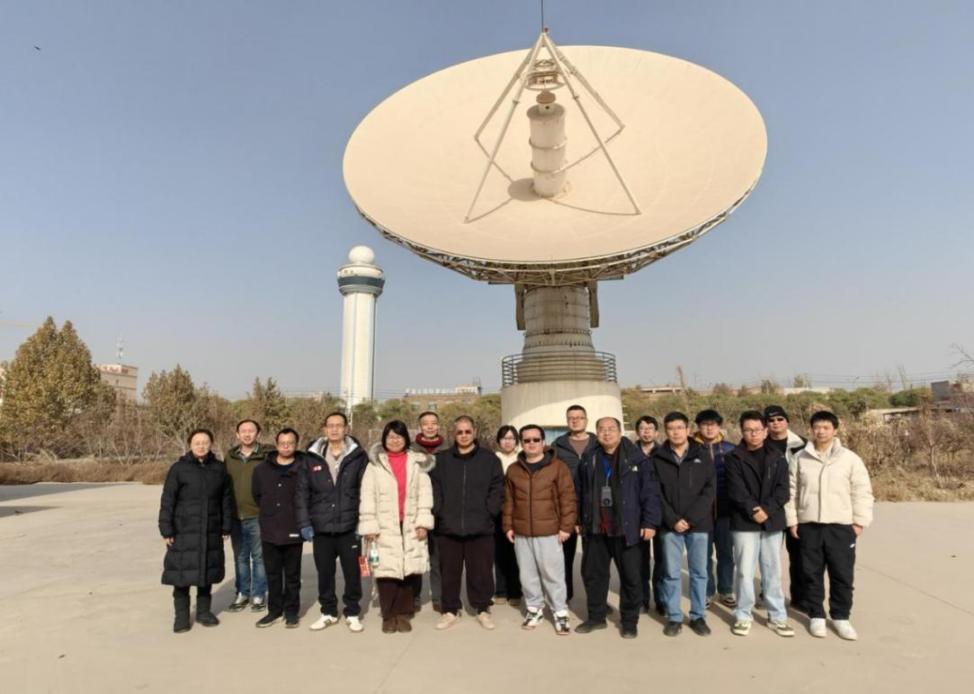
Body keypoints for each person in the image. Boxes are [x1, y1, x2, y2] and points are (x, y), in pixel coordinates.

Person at [786, 411, 874, 640]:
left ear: (835, 430)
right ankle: (816, 615)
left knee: (842, 574)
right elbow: (791, 492)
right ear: (811, 429)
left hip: (841, 527)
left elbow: (862, 491)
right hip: (809, 525)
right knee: (811, 574)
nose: (821, 431)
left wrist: (859, 522)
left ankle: (841, 617)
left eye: (826, 427)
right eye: (817, 427)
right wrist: (792, 521)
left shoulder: (849, 459)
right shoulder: (800, 457)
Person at [575, 417, 660, 639]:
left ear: (620, 432)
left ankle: (629, 621)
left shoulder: (637, 458)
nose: (607, 433)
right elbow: (579, 491)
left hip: (627, 528)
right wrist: (578, 519)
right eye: (602, 429)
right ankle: (596, 617)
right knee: (594, 576)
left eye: (611, 429)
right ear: (596, 433)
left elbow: (650, 493)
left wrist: (649, 522)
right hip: (597, 528)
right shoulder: (589, 458)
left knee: (631, 577)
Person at [359, 420, 434, 633]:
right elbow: (367, 496)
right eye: (390, 436)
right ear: (384, 439)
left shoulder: (417, 463)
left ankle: (403, 614)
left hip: (410, 524)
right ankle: (388, 614)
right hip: (383, 526)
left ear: (406, 439)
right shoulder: (375, 465)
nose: (394, 440)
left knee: (408, 571)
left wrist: (423, 522)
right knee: (386, 572)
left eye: (399, 436)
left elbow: (424, 494)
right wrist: (369, 525)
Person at [429, 416, 504, 630]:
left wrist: (489, 512)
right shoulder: (441, 460)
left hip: (480, 527)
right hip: (448, 528)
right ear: (454, 434)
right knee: (449, 573)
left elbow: (497, 489)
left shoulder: (489, 460)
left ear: (474, 432)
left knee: (481, 572)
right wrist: (440, 512)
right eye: (459, 432)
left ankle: (482, 609)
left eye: (467, 431)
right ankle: (450, 610)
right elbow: (435, 489)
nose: (464, 435)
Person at [725, 411, 795, 637]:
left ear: (765, 431)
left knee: (772, 570)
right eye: (748, 430)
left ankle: (777, 617)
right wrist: (754, 510)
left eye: (757, 430)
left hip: (772, 521)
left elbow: (783, 490)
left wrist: (767, 510)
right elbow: (735, 490)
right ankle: (743, 615)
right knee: (744, 571)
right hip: (744, 522)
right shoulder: (733, 457)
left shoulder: (778, 456)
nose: (752, 434)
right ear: (742, 432)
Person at [298, 411, 368, 633]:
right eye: (330, 425)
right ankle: (328, 612)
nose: (335, 429)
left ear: (346, 428)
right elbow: (302, 492)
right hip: (322, 527)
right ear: (324, 429)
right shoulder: (311, 457)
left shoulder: (358, 456)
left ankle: (352, 612)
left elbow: (365, 490)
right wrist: (304, 523)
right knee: (325, 573)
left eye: (339, 425)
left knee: (352, 573)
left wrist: (363, 522)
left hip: (349, 526)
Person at [502, 425, 576, 635]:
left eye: (535, 439)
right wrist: (508, 525)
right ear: (521, 443)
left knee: (553, 575)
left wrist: (566, 527)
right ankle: (534, 610)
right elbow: (508, 501)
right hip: (522, 531)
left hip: (550, 531)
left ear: (543, 442)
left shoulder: (558, 467)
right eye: (527, 440)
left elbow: (568, 499)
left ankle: (560, 612)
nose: (531, 444)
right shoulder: (514, 470)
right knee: (527, 575)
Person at [158, 428, 232, 633]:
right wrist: (166, 529)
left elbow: (226, 499)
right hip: (183, 530)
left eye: (205, 442)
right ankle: (181, 617)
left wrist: (226, 526)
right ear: (190, 444)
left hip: (211, 529)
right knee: (181, 576)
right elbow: (168, 500)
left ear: (211, 444)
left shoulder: (219, 469)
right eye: (197, 442)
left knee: (206, 574)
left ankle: (203, 612)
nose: (201, 446)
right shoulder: (178, 469)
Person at [651, 412, 715, 637]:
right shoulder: (657, 457)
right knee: (671, 573)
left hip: (698, 524)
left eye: (679, 427)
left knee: (699, 572)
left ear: (688, 430)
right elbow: (655, 492)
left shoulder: (702, 454)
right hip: (670, 526)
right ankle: (674, 617)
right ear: (665, 431)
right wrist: (672, 519)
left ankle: (698, 616)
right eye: (671, 428)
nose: (675, 432)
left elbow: (709, 490)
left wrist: (691, 519)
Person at [252, 428, 304, 629]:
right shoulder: (262, 470)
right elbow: (257, 495)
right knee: (272, 574)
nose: (286, 446)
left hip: (293, 528)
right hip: (270, 529)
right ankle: (274, 611)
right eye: (282, 443)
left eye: (290, 443)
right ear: (276, 444)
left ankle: (291, 611)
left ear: (296, 444)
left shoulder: (303, 468)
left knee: (292, 575)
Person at [764, 404, 809, 611]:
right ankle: (768, 592)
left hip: (796, 509)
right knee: (769, 556)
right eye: (771, 420)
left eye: (780, 419)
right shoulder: (759, 444)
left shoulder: (803, 445)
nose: (776, 423)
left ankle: (799, 597)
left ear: (787, 421)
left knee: (799, 555)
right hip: (770, 508)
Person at [224, 419, 272, 613]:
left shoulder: (267, 455)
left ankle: (259, 594)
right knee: (240, 557)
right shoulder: (230, 456)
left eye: (251, 430)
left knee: (259, 557)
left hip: (258, 515)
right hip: (235, 516)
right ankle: (242, 593)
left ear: (258, 434)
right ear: (237, 434)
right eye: (243, 431)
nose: (247, 434)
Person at [552, 404, 597, 604]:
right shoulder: (557, 445)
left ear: (586, 420)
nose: (575, 420)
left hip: (593, 508)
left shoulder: (598, 443)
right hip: (565, 508)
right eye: (571, 417)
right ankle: (564, 597)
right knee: (564, 558)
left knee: (593, 561)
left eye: (579, 417)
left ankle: (596, 599)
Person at [693, 409, 737, 607]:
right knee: (703, 556)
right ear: (698, 427)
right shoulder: (691, 449)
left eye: (713, 424)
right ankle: (707, 591)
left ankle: (726, 590)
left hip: (726, 512)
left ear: (719, 426)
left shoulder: (730, 449)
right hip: (700, 514)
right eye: (705, 424)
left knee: (726, 554)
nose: (709, 428)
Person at [411, 410, 446, 612]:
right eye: (426, 423)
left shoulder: (448, 449)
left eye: (434, 423)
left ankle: (438, 596)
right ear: (420, 427)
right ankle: (414, 597)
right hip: (415, 509)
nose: (430, 426)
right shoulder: (411, 450)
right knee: (415, 553)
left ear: (438, 426)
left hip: (440, 510)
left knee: (437, 557)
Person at [634, 415, 665, 615]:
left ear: (656, 432)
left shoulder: (664, 453)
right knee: (640, 560)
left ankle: (661, 598)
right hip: (637, 514)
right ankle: (642, 598)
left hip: (662, 513)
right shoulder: (629, 453)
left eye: (650, 428)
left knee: (662, 560)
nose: (646, 432)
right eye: (643, 428)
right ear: (637, 431)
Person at [493, 425, 522, 607]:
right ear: (499, 441)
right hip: (498, 511)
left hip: (518, 511)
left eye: (511, 438)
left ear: (516, 441)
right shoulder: (493, 459)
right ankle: (501, 591)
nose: (508, 441)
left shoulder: (522, 458)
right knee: (499, 552)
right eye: (504, 438)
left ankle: (516, 591)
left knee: (516, 552)